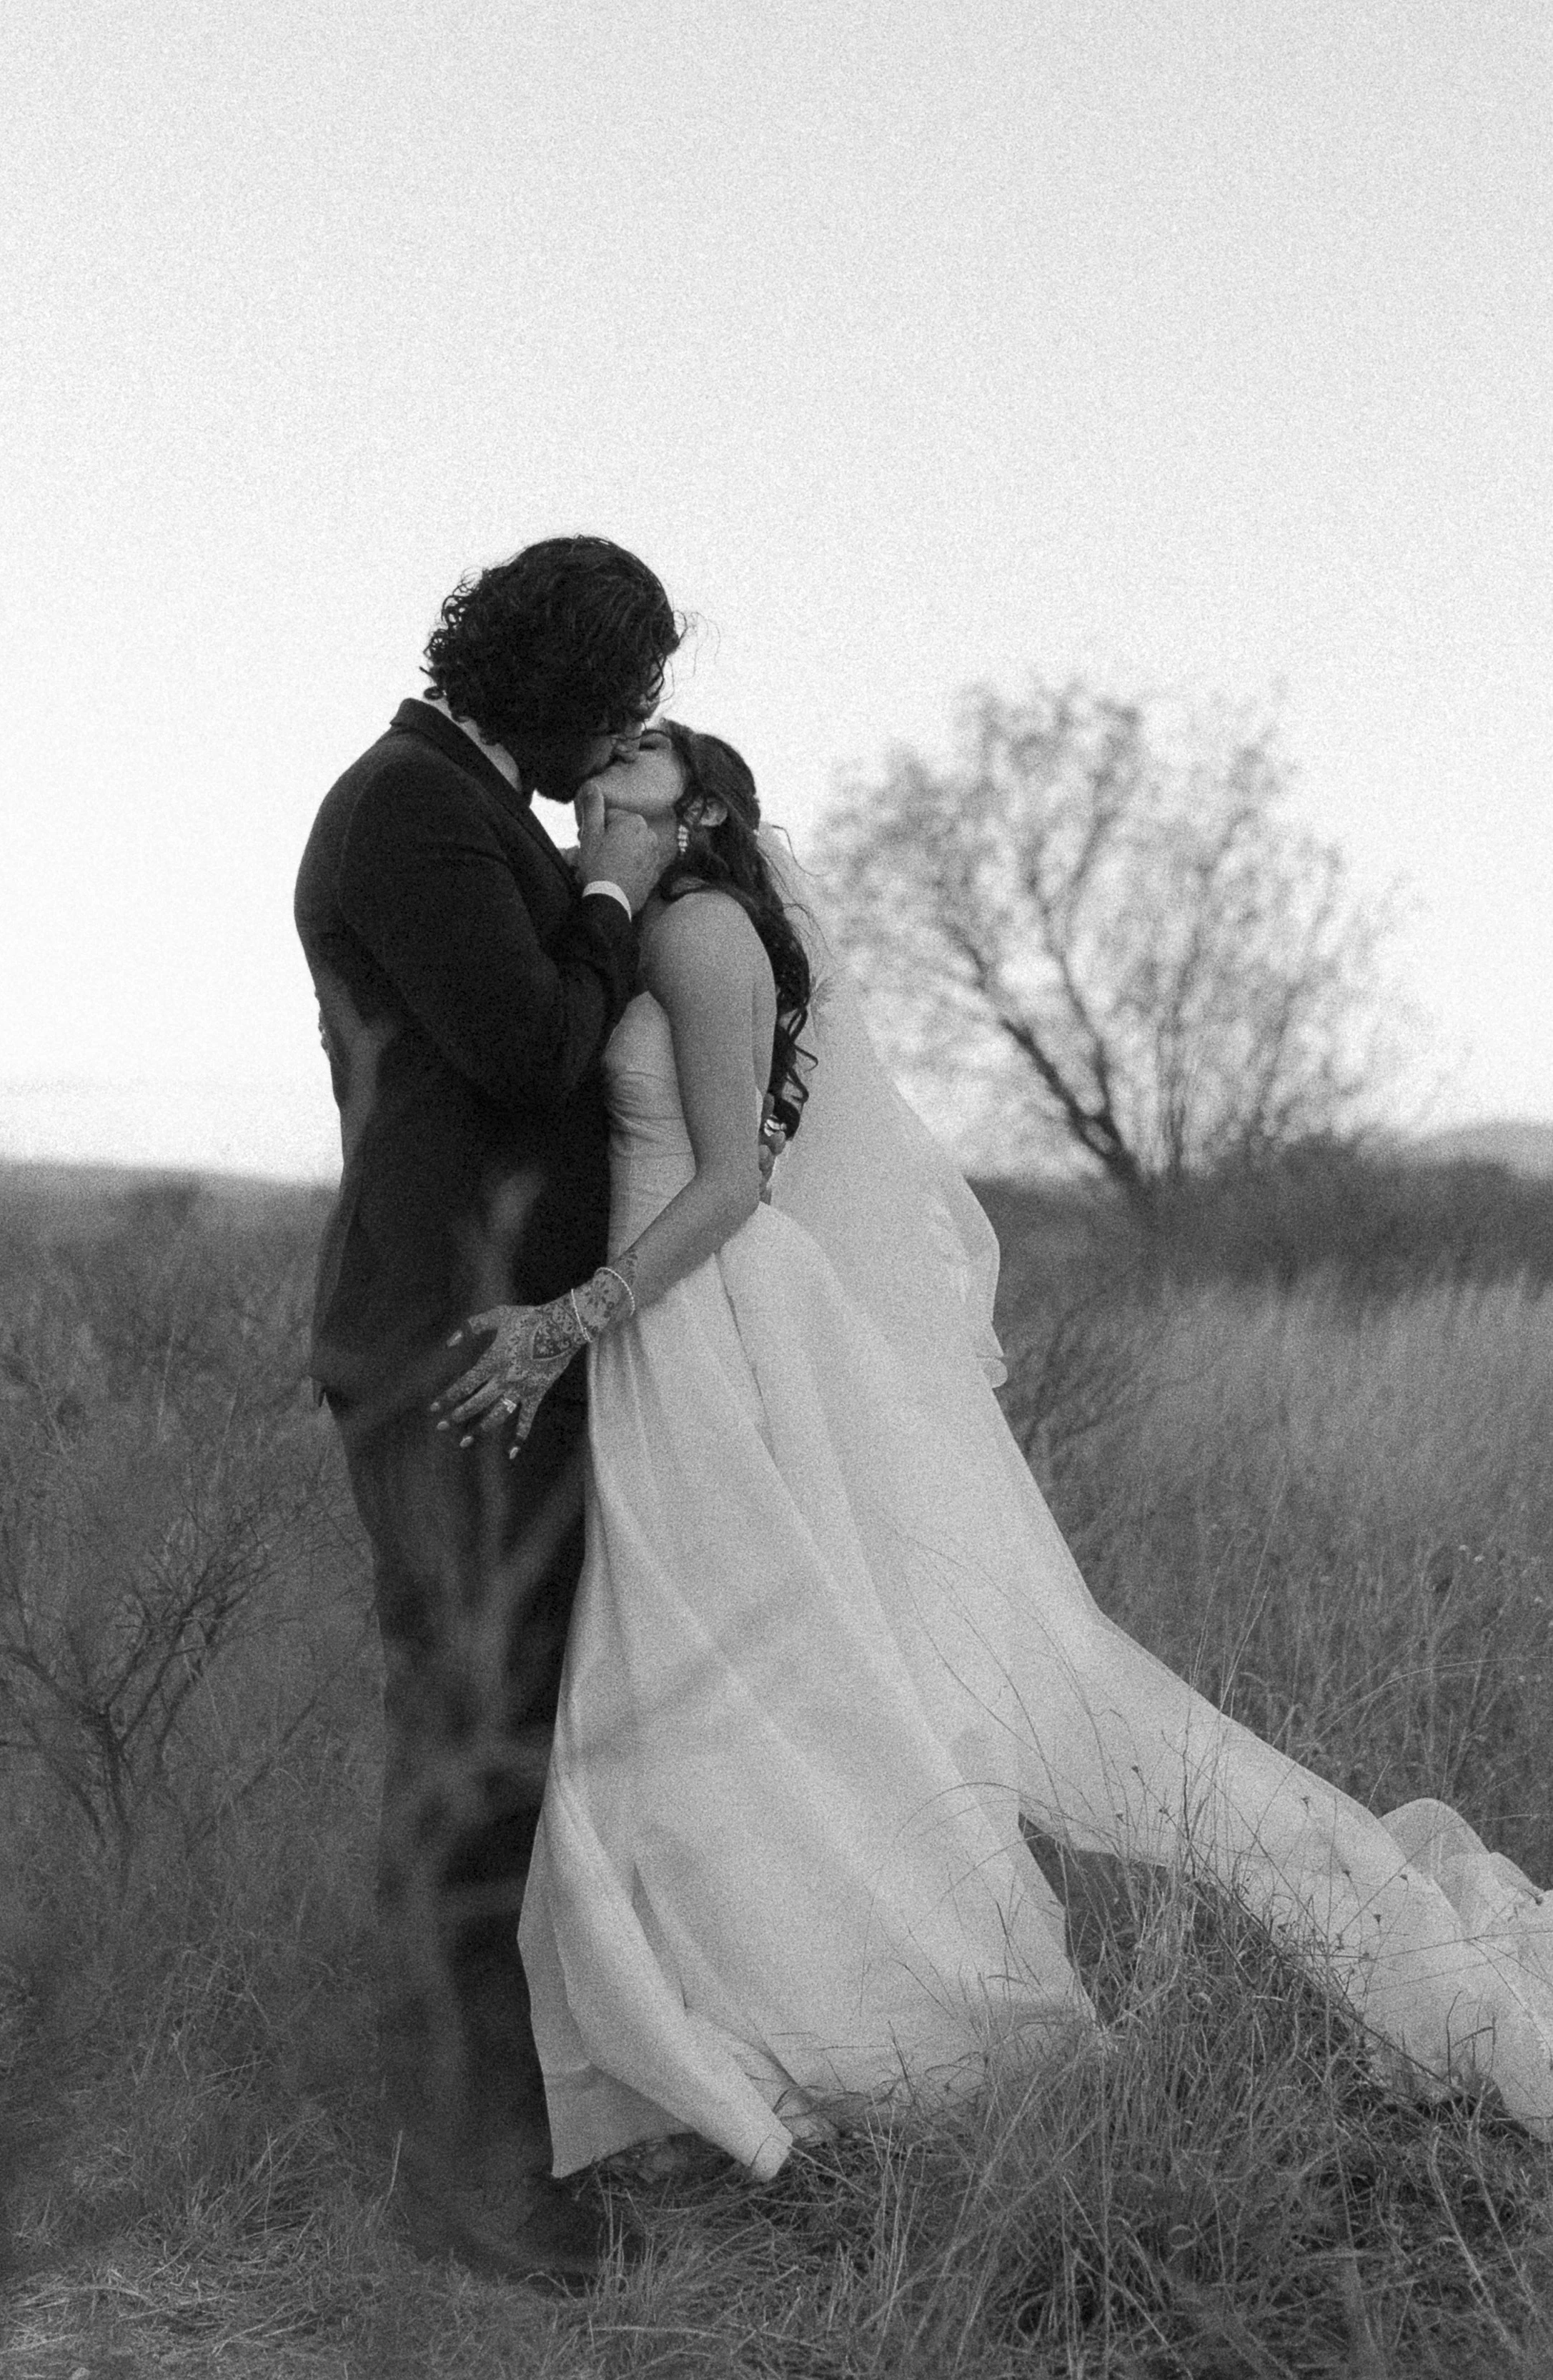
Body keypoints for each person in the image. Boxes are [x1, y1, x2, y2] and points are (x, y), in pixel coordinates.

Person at [432, 720, 1553, 2186]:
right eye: (595, 765)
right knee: (741, 1681)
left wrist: (574, 1318)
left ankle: (838, 2018)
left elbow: (724, 1187)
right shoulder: (646, 928)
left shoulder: (700, 934)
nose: (596, 778)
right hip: (676, 1329)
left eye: (631, 764)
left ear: (698, 811)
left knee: (726, 1672)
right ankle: (738, 2016)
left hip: (697, 1324)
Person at [293, 536, 682, 2288]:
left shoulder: (456, 802)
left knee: (495, 1749)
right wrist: (608, 894)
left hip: (494, 1347)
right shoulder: (409, 810)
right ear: (555, 685)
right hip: (446, 1352)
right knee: (467, 1758)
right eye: (615, 704)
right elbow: (525, 1048)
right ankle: (466, 2188)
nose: (618, 741)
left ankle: (473, 2151)